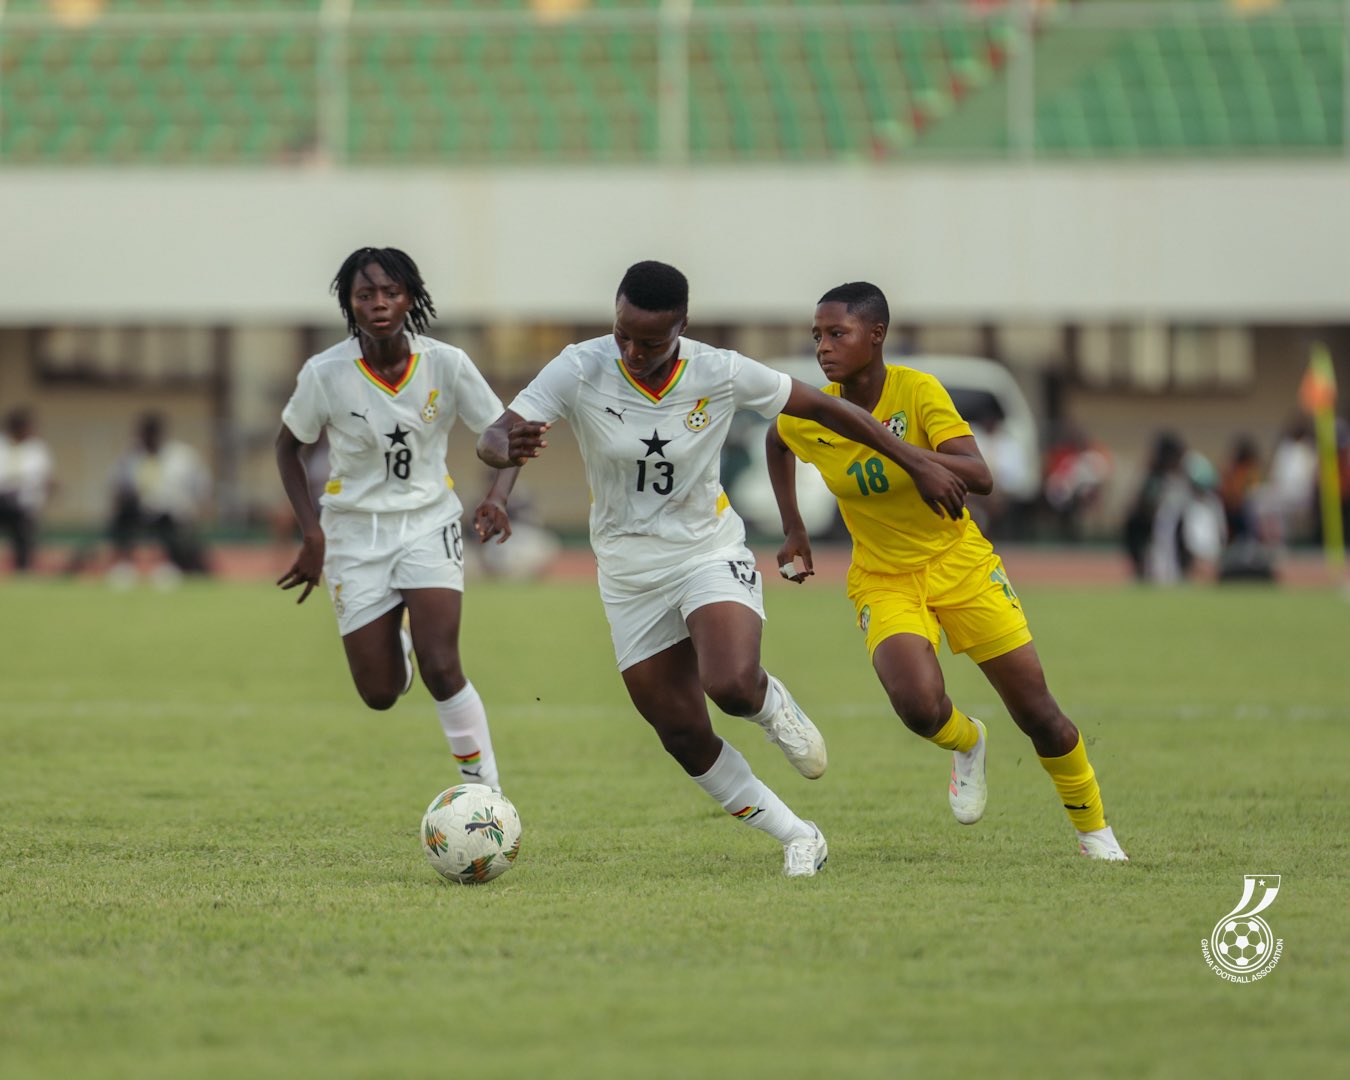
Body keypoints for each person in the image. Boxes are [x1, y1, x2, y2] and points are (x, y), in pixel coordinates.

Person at [476, 261, 967, 877]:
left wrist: (917, 462)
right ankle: (798, 835)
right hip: (627, 573)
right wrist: (497, 471)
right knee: (681, 733)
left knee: (731, 684)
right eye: (623, 334)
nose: (632, 352)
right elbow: (501, 435)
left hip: (706, 550)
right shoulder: (580, 365)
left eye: (650, 341)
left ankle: (771, 706)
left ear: (681, 327)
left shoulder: (721, 370)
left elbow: (826, 409)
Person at [766, 281, 1127, 862]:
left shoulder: (918, 391)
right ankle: (969, 741)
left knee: (1038, 713)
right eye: (817, 336)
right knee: (918, 705)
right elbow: (777, 440)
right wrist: (794, 527)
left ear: (876, 335)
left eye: (837, 334)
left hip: (960, 565)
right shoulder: (817, 410)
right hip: (884, 578)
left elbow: (979, 476)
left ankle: (1096, 833)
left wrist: (917, 460)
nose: (823, 347)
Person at [276, 246, 518, 793]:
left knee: (443, 666)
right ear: (349, 304)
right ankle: (398, 652)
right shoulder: (325, 373)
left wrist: (498, 495)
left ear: (410, 298)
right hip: (352, 533)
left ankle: (485, 794)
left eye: (391, 292)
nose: (379, 303)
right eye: (365, 295)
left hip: (429, 522)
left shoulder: (447, 363)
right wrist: (311, 532)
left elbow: (507, 434)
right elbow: (287, 449)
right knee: (380, 693)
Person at [106, 412, 213, 583]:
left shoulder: (182, 457)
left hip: (173, 514)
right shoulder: (130, 458)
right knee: (123, 518)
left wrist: (197, 511)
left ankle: (171, 565)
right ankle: (125, 564)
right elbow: (118, 487)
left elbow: (201, 487)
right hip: (139, 511)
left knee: (172, 525)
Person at [0, 407, 56, 573]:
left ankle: (22, 571)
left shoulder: (37, 450)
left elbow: (45, 477)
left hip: (24, 504)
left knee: (24, 541)